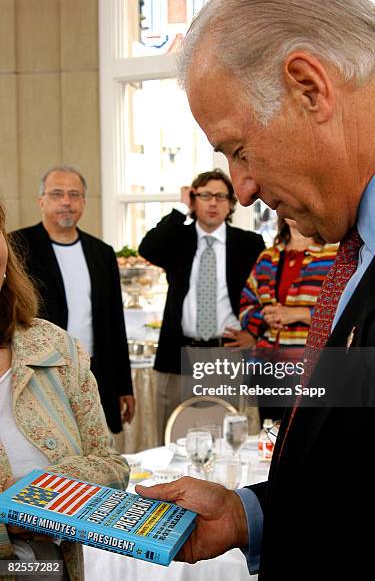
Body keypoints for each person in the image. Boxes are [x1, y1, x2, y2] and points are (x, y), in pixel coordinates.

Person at [136, 0, 375, 576]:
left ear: (308, 87)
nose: (242, 191)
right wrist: (253, 515)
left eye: (238, 149)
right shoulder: (368, 240)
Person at [0, 201, 129, 579]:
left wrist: (41, 495)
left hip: (53, 570)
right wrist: (8, 519)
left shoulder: (54, 348)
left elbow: (112, 466)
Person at [138, 169, 264, 444]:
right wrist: (180, 209)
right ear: (194, 200)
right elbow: (147, 248)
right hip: (179, 352)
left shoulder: (249, 244)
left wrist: (253, 334)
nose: (213, 203)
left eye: (221, 196)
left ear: (231, 204)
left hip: (225, 353)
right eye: (205, 195)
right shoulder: (177, 240)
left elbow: (265, 294)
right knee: (174, 436)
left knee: (223, 438)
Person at [11, 166, 135, 434]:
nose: (66, 202)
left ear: (84, 202)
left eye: (74, 194)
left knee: (96, 449)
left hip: (95, 372)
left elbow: (115, 322)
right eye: (57, 194)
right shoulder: (17, 247)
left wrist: (124, 386)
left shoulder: (101, 252)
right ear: (41, 200)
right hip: (39, 373)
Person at [240, 217, 337, 422]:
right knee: (271, 438)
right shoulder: (267, 257)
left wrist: (301, 314)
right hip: (266, 368)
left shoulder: (334, 255)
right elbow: (245, 306)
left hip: (311, 369)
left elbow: (345, 311)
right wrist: (265, 319)